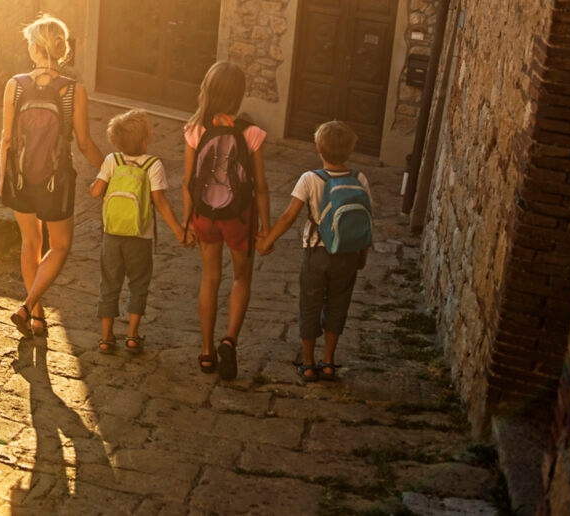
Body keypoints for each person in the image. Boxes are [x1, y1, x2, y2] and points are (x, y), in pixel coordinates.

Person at [0, 14, 103, 339]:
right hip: (56, 182)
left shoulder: (15, 85)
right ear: (61, 50)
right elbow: (84, 143)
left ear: (34, 48)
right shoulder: (73, 90)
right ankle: (27, 307)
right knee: (60, 246)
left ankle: (37, 316)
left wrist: (4, 178)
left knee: (30, 243)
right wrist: (110, 168)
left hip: (19, 178)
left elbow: (6, 139)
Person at [256, 120, 373, 382]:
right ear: (351, 149)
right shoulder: (360, 179)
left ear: (318, 148)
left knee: (310, 305)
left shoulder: (309, 179)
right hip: (348, 255)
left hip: (316, 254)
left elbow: (288, 217)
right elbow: (365, 221)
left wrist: (267, 241)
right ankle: (329, 362)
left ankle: (308, 364)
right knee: (338, 305)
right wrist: (363, 256)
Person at [183, 62, 269, 380]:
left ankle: (207, 352)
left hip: (205, 214)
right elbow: (261, 186)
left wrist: (186, 222)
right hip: (239, 217)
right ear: (239, 94)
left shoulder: (195, 129)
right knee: (241, 278)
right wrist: (267, 229)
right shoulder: (251, 133)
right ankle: (229, 340)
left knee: (210, 278)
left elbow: (188, 182)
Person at [89, 109, 187, 355]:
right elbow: (160, 202)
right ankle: (132, 336)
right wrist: (179, 230)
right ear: (145, 141)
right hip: (140, 237)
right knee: (138, 284)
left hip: (112, 235)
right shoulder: (153, 165)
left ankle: (106, 337)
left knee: (109, 283)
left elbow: (95, 191)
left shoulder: (112, 160)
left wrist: (98, 183)